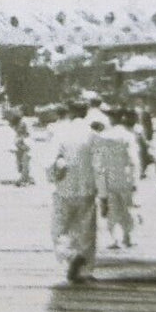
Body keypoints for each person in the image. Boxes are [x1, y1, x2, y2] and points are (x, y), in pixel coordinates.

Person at [48, 100, 101, 283]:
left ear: (70, 112)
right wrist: (102, 191)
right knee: (86, 228)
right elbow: (99, 164)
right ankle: (85, 270)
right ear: (86, 113)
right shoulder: (93, 135)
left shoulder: (61, 132)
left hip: (64, 187)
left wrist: (52, 177)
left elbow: (49, 159)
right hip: (87, 188)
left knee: (60, 228)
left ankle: (69, 255)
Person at [97, 109, 141, 249]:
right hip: (125, 177)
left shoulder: (103, 137)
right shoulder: (128, 136)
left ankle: (114, 238)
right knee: (127, 208)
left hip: (109, 177)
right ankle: (128, 237)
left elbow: (99, 161)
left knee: (111, 209)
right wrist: (135, 179)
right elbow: (133, 159)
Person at [13, 118, 33, 186]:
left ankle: (24, 178)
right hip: (20, 149)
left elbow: (28, 144)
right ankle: (25, 178)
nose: (21, 128)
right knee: (20, 165)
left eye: (22, 127)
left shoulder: (26, 135)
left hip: (25, 150)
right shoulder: (18, 135)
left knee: (25, 164)